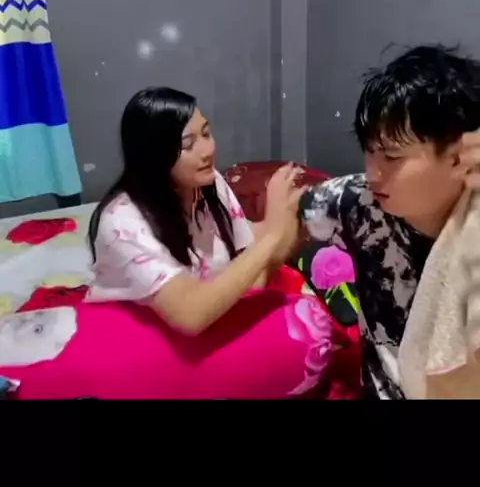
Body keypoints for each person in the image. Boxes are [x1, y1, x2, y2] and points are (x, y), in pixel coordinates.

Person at [78, 87, 340, 400]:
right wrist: (274, 235)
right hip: (141, 341)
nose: (207, 151)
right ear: (153, 155)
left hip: (207, 319)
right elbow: (191, 315)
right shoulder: (121, 222)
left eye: (206, 133)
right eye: (188, 145)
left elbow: (250, 267)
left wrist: (288, 221)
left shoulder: (208, 184)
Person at [301, 44, 480, 399]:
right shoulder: (357, 201)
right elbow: (281, 224)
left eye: (392, 157)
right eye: (369, 151)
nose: (373, 174)